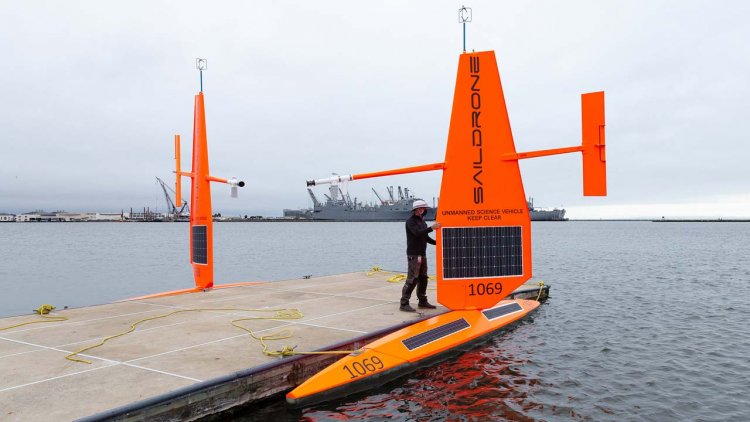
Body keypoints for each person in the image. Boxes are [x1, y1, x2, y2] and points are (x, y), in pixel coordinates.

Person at [400, 199, 441, 312]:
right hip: (414, 254)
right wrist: (431, 228)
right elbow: (418, 234)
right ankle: (404, 303)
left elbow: (425, 237)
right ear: (416, 209)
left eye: (424, 208)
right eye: (421, 208)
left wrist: (439, 243)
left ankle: (422, 301)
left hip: (422, 254)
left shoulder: (422, 222)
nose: (423, 210)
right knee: (412, 279)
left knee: (423, 278)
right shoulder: (410, 222)